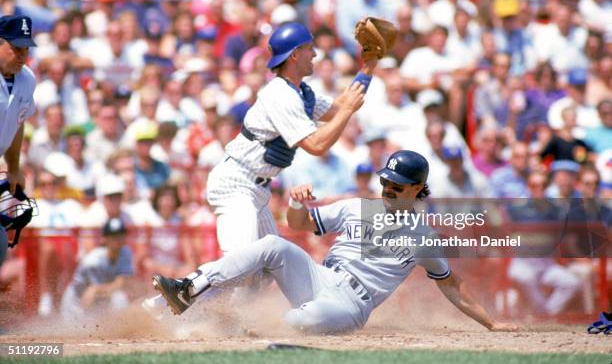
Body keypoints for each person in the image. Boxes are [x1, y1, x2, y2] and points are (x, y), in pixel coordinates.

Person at [142, 21, 374, 312]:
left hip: (257, 189)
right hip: (236, 182)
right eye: (308, 48)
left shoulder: (300, 92)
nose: (314, 54)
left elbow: (341, 109)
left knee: (263, 273)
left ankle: (216, 320)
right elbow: (317, 144)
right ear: (293, 55)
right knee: (243, 261)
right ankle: (170, 298)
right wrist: (349, 109)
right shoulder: (281, 95)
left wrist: (370, 65)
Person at [151, 150, 516, 333]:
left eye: (397, 185)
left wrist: (491, 324)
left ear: (418, 189)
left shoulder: (425, 238)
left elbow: (452, 285)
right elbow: (297, 224)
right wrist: (296, 202)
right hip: (320, 277)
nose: (388, 189)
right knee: (272, 245)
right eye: (385, 182)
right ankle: (190, 287)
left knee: (303, 321)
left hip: (351, 306)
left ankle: (248, 332)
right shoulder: (356, 207)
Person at [60, 217, 134, 321]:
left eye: (121, 235)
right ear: (104, 239)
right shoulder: (94, 261)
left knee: (120, 298)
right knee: (78, 333)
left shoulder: (125, 252)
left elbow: (120, 283)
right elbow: (90, 293)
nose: (118, 239)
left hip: (97, 298)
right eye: (113, 236)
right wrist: (96, 289)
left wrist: (97, 289)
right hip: (76, 302)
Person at [0, 15, 37, 195]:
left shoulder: (27, 79)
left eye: (26, 48)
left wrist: (13, 167)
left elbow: (17, 120)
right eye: (16, 48)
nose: (22, 54)